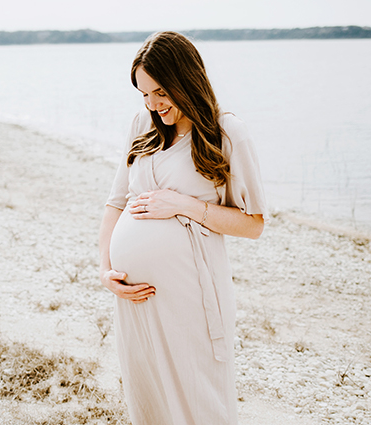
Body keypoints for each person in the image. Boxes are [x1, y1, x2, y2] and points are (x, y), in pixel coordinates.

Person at [98, 31, 269, 425]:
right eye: (143, 94)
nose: (153, 104)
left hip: (192, 296)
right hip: (134, 297)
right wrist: (105, 270)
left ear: (186, 80)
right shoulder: (143, 123)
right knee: (148, 397)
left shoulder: (226, 132)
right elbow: (115, 203)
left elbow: (254, 225)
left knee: (198, 401)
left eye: (161, 92)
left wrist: (185, 206)